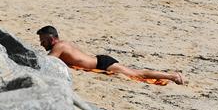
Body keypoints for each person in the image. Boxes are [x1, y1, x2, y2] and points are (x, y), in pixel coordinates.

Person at [36, 26, 186, 84]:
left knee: (137, 74)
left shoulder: (59, 46)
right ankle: (172, 76)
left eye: (43, 40)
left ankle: (172, 76)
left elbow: (46, 62)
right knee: (136, 73)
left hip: (102, 64)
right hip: (101, 61)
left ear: (51, 38)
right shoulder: (65, 43)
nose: (41, 44)